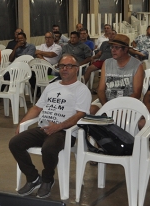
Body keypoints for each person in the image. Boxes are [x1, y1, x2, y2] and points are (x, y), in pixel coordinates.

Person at [9, 54, 91, 198]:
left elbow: (80, 115)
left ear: (76, 69)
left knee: (49, 148)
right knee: (15, 143)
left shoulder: (81, 89)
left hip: (65, 132)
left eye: (69, 66)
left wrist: (58, 127)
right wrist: (22, 123)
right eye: (61, 66)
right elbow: (37, 108)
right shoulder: (51, 86)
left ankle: (47, 179)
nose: (64, 69)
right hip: (44, 128)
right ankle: (33, 178)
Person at [92, 34, 144, 115]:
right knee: (91, 109)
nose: (113, 50)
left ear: (126, 49)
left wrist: (118, 108)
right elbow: (101, 90)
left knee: (123, 116)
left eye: (117, 47)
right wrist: (107, 107)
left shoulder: (137, 65)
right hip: (108, 104)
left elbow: (136, 94)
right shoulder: (107, 63)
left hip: (127, 105)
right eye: (112, 47)